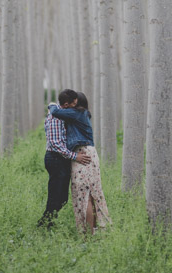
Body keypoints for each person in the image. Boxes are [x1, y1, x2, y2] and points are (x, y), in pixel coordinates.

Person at [49, 91, 112, 234]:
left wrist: (51, 105)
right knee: (92, 194)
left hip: (82, 154)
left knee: (84, 196)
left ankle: (88, 234)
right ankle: (95, 230)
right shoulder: (81, 115)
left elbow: (55, 112)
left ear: (77, 104)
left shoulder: (77, 113)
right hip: (87, 154)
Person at [38, 89, 91, 229]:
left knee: (62, 199)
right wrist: (75, 156)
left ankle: (48, 223)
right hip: (55, 159)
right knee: (56, 197)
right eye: (74, 103)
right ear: (66, 104)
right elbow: (56, 144)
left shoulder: (62, 114)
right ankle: (44, 226)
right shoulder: (56, 118)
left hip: (61, 159)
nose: (75, 105)